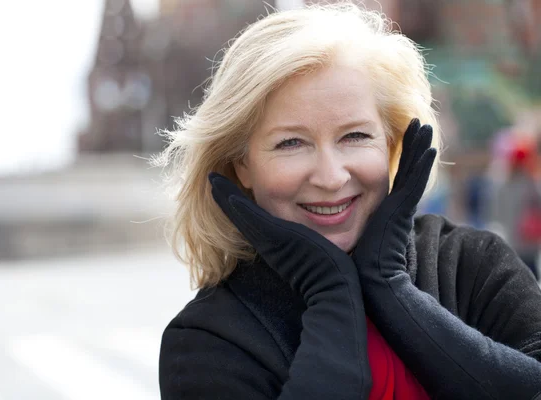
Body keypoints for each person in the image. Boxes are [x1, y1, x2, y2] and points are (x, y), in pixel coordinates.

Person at [154, 3, 541, 399]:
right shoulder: (207, 340)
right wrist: (329, 294)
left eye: (354, 136)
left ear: (393, 143)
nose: (331, 176)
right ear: (242, 166)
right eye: (291, 142)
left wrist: (393, 288)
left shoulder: (472, 264)